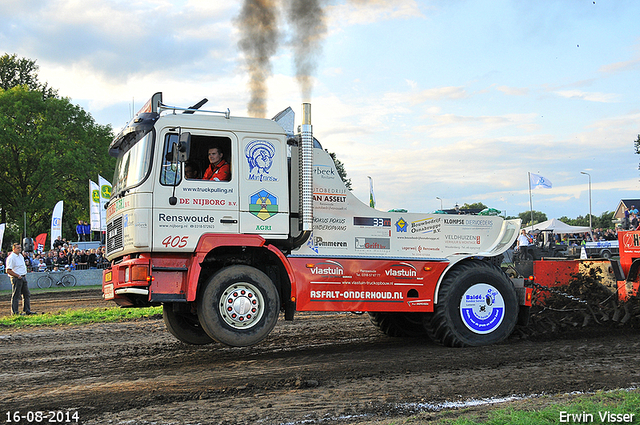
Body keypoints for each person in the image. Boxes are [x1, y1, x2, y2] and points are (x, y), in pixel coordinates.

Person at [6, 243, 35, 315]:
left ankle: (27, 310)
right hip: (16, 278)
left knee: (26, 294)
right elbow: (8, 270)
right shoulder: (11, 257)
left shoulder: (20, 256)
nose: (20, 249)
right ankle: (15, 312)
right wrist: (17, 275)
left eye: (20, 247)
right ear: (14, 249)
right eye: (18, 248)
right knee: (16, 295)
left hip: (22, 276)